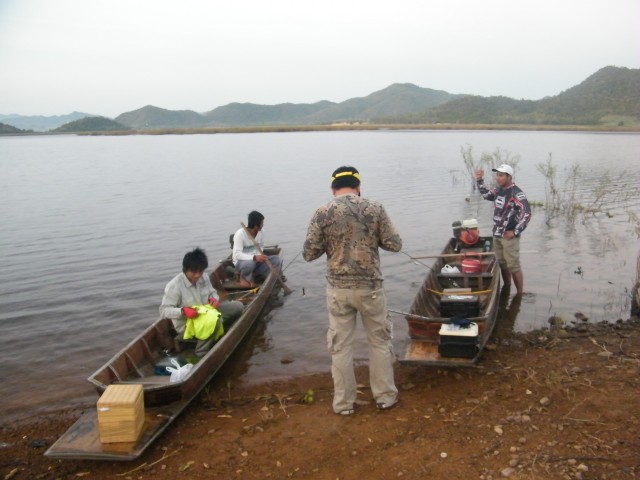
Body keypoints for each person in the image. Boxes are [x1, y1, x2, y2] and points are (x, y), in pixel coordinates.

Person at [302, 166, 402, 415]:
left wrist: (330, 242)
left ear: (333, 189)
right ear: (358, 187)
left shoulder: (322, 212)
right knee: (379, 342)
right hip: (371, 289)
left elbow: (308, 253)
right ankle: (385, 397)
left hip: (338, 291)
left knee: (340, 346)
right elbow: (395, 244)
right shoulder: (374, 208)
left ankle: (344, 404)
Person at [159, 247, 244, 357]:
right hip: (188, 324)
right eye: (194, 272)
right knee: (215, 321)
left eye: (200, 271)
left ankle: (215, 331)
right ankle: (201, 351)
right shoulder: (174, 286)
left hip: (208, 313)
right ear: (185, 269)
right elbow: (163, 311)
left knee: (238, 306)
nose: (197, 275)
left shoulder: (204, 277)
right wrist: (183, 311)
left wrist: (214, 299)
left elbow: (212, 292)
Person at [475, 164, 531, 296]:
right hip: (497, 233)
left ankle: (519, 294)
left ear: (509, 177)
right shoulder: (499, 190)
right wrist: (479, 180)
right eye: (497, 175)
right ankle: (507, 287)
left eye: (501, 175)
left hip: (509, 235)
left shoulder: (517, 193)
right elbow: (487, 195)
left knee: (513, 265)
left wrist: (515, 232)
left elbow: (527, 213)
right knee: (502, 263)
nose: (498, 178)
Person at [232, 210, 283, 287]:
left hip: (256, 261)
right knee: (250, 263)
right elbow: (237, 254)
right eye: (262, 223)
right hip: (243, 263)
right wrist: (254, 258)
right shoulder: (240, 234)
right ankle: (242, 277)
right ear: (256, 226)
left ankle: (254, 274)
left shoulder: (261, 232)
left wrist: (260, 257)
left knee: (276, 260)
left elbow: (261, 247)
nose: (263, 225)